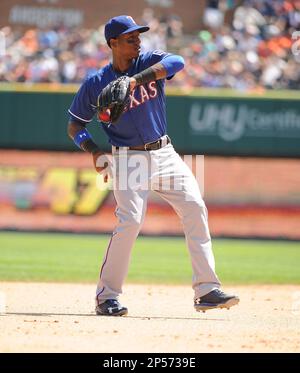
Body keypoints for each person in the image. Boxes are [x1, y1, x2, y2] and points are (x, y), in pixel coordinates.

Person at [67, 15, 239, 316]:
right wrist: (93, 150)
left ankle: (207, 290)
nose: (138, 40)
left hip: (164, 152)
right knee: (130, 221)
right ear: (113, 43)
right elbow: (75, 126)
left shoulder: (148, 62)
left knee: (195, 207)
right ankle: (107, 297)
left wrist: (134, 80)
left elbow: (178, 62)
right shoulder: (95, 83)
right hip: (126, 157)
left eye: (138, 35)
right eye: (130, 36)